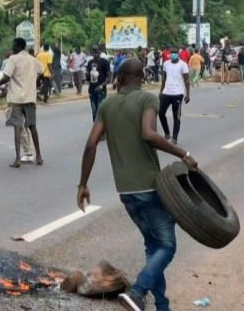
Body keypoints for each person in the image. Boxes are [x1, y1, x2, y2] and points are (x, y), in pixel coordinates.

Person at [77, 57, 198, 311]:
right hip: (150, 187)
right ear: (141, 77)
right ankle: (139, 291)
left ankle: (162, 305)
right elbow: (148, 133)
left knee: (152, 246)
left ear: (120, 78)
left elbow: (90, 144)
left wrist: (83, 184)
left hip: (126, 191)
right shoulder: (147, 99)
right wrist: (183, 154)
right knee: (166, 245)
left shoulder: (106, 106)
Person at [0, 38, 44, 168]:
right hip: (30, 97)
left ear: (19, 46)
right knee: (32, 126)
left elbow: (6, 77)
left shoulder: (13, 59)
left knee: (17, 127)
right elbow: (42, 71)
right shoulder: (32, 59)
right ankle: (39, 156)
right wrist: (36, 82)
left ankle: (18, 158)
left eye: (14, 45)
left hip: (16, 98)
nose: (12, 48)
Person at [159, 48, 190, 145]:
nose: (173, 54)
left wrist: (187, 94)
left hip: (178, 93)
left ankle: (174, 138)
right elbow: (164, 79)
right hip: (166, 92)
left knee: (176, 116)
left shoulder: (183, 65)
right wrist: (161, 91)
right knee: (161, 113)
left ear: (178, 54)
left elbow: (187, 80)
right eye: (171, 53)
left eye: (174, 53)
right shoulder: (166, 64)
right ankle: (167, 133)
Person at [86, 46, 112, 123]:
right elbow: (88, 79)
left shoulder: (104, 62)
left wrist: (101, 86)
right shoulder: (90, 63)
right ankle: (96, 129)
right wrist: (87, 75)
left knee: (101, 111)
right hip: (92, 90)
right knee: (94, 111)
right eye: (93, 51)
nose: (94, 52)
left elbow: (109, 78)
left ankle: (102, 129)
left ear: (100, 51)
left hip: (101, 90)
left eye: (96, 50)